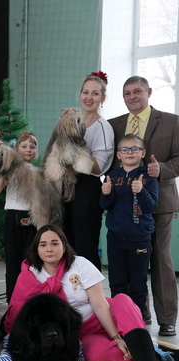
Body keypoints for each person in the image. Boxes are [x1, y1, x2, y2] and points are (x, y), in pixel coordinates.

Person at [2, 225, 177, 361]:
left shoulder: (80, 264)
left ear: (64, 246)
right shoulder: (31, 274)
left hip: (109, 316)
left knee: (122, 300)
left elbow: (100, 304)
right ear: (36, 249)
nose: (49, 249)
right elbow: (20, 310)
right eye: (43, 245)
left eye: (55, 243)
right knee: (97, 357)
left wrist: (115, 336)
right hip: (83, 331)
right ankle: (158, 355)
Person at [109, 75, 179, 337]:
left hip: (159, 201)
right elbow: (109, 161)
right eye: (127, 93)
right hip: (123, 205)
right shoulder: (114, 125)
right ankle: (138, 314)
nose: (132, 97)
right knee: (127, 264)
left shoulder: (172, 121)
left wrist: (161, 169)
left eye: (137, 91)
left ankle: (167, 319)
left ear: (148, 92)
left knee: (160, 258)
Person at [100, 134, 158, 320]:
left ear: (143, 153)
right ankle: (119, 317)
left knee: (138, 282)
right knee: (117, 281)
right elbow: (105, 205)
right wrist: (106, 194)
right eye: (125, 149)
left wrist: (141, 192)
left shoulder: (149, 177)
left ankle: (138, 318)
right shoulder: (111, 177)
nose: (129, 152)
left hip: (139, 238)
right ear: (118, 155)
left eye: (134, 149)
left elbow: (151, 207)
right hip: (115, 239)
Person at [64, 71, 115, 271]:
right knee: (68, 245)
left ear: (103, 98)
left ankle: (92, 288)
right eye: (86, 92)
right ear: (80, 94)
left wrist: (74, 153)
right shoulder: (74, 123)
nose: (89, 97)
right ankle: (71, 287)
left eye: (95, 93)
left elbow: (98, 166)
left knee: (85, 246)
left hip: (88, 188)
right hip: (69, 185)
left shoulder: (103, 127)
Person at [0, 132, 38, 302]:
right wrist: (5, 166)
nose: (28, 150)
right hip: (13, 218)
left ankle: (29, 302)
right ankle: (13, 303)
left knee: (30, 264)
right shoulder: (9, 170)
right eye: (24, 146)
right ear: (16, 149)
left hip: (32, 219)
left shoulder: (38, 172)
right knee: (12, 264)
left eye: (32, 147)